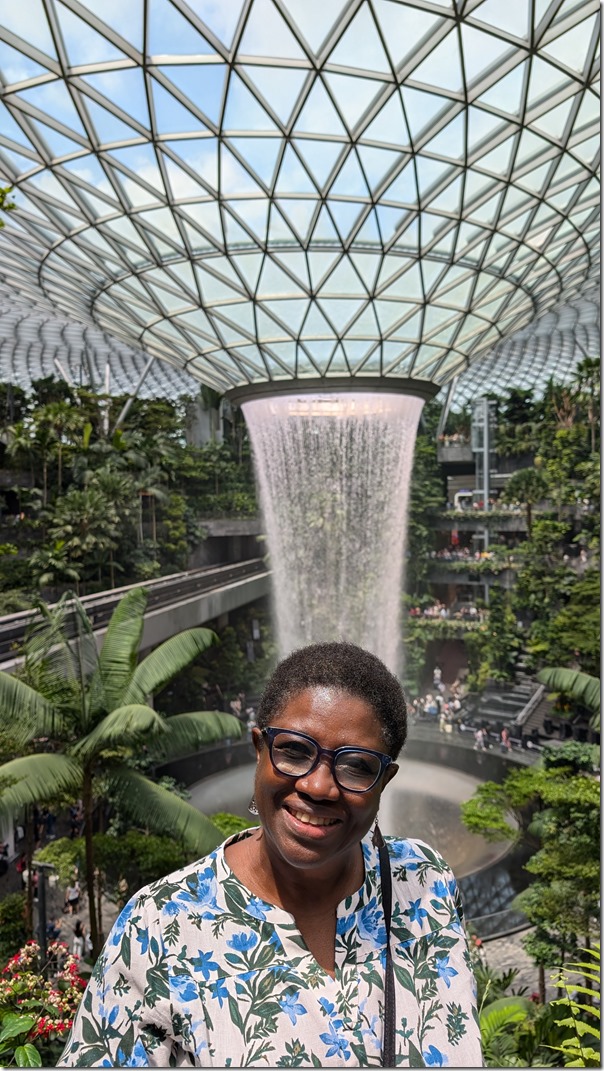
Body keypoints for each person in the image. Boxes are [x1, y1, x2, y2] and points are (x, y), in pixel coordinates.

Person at [59, 641, 482, 1067]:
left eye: (356, 765)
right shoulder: (158, 927)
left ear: (384, 780)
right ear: (259, 749)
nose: (319, 787)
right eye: (294, 751)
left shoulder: (425, 882)